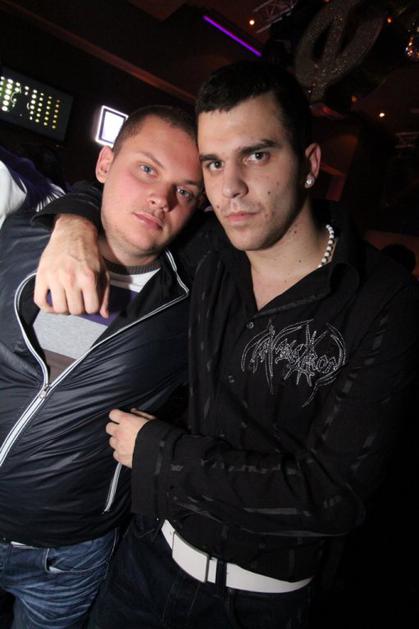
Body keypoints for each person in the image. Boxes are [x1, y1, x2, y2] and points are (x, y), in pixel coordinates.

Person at [34, 61, 419, 629]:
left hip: (259, 605)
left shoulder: (382, 300)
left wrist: (161, 454)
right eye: (214, 163)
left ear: (310, 165)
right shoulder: (208, 251)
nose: (230, 186)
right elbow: (127, 201)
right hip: (144, 563)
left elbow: (332, 497)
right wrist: (74, 224)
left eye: (256, 155)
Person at [0, 105, 202, 628]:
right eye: (147, 169)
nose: (161, 198)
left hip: (64, 557)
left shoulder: (188, 306)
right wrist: (72, 220)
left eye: (185, 191)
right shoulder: (17, 232)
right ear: (106, 163)